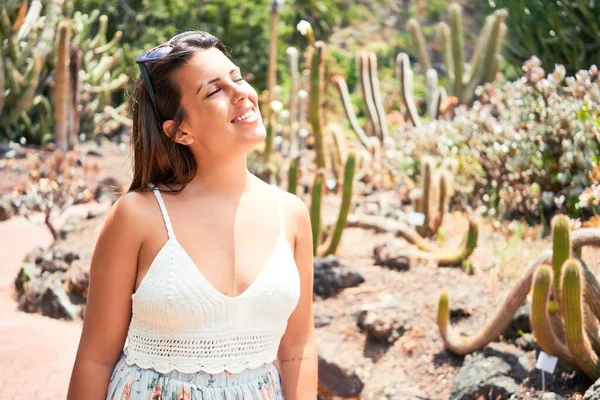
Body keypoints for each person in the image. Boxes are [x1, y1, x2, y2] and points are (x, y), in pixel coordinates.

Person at [67, 30, 318, 399]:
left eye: (237, 78)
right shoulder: (137, 216)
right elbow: (95, 358)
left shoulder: (291, 214)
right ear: (179, 130)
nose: (240, 93)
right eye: (214, 91)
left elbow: (298, 349)